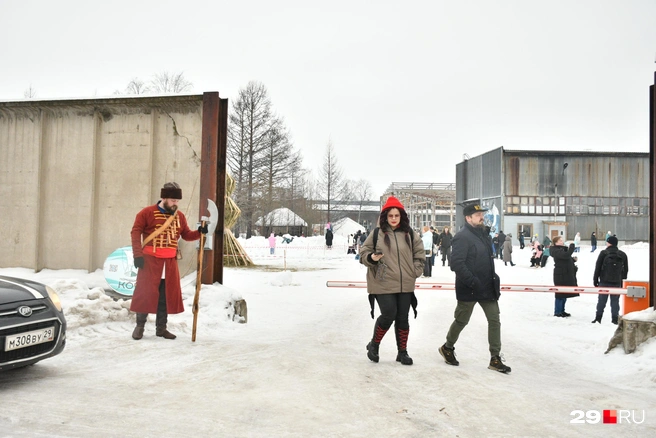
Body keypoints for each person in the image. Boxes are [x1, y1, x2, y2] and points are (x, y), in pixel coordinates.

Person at [438, 201, 511, 374]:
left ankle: (495, 358)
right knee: (462, 320)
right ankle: (447, 347)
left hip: (487, 286)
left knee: (494, 321)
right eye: (478, 215)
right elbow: (456, 263)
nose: (482, 218)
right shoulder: (462, 237)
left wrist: (493, 278)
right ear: (468, 218)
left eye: (482, 215)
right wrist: (472, 281)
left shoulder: (483, 234)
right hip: (469, 287)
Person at [130, 182, 207, 340]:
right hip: (150, 260)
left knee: (164, 296)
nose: (175, 203)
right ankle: (140, 326)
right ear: (164, 198)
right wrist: (137, 255)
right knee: (145, 293)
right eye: (173, 200)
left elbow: (186, 235)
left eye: (177, 201)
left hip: (170, 262)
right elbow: (135, 232)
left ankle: (161, 328)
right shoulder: (146, 213)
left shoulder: (179, 216)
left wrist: (199, 232)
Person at [360, 196, 424, 365]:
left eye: (397, 215)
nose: (394, 219)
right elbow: (363, 254)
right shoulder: (376, 234)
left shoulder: (410, 234)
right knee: (389, 314)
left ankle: (402, 352)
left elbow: (419, 254)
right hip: (382, 282)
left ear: (401, 216)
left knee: (403, 317)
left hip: (405, 283)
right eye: (391, 216)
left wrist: (415, 271)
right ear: (385, 217)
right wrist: (371, 257)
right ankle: (374, 344)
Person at [592, 236, 628, 324]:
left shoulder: (603, 253)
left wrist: (595, 279)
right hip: (617, 281)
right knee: (615, 302)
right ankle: (615, 319)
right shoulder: (622, 254)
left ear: (609, 243)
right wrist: (621, 278)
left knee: (601, 301)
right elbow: (626, 269)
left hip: (604, 280)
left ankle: (598, 318)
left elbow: (598, 267)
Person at [550, 236, 579, 317]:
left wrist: (572, 260)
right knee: (560, 294)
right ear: (556, 242)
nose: (562, 242)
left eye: (562, 240)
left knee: (564, 293)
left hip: (566, 274)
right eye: (560, 240)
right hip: (560, 275)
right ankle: (557, 312)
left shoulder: (562, 249)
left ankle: (562, 310)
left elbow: (565, 258)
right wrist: (572, 246)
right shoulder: (555, 250)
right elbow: (565, 256)